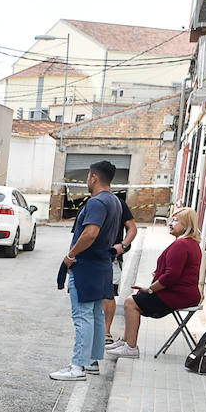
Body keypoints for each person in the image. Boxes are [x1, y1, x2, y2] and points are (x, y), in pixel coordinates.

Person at [50, 161, 122, 381]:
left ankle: (77, 367)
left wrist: (71, 255)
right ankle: (91, 361)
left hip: (87, 266)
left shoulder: (96, 202)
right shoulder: (115, 201)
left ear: (93, 178)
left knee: (83, 316)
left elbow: (90, 233)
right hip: (102, 266)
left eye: (88, 177)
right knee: (95, 315)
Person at [107, 207, 203, 358]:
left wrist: (150, 289)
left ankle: (131, 347)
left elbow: (171, 276)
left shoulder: (182, 244)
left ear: (187, 224)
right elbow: (177, 271)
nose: (171, 223)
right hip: (182, 293)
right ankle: (125, 341)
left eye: (176, 220)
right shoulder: (190, 243)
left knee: (131, 303)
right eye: (171, 219)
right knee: (135, 298)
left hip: (179, 295)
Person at [104, 196, 138, 344]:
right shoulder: (89, 203)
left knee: (109, 295)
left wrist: (123, 245)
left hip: (112, 259)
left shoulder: (119, 204)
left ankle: (106, 331)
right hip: (90, 260)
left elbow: (132, 228)